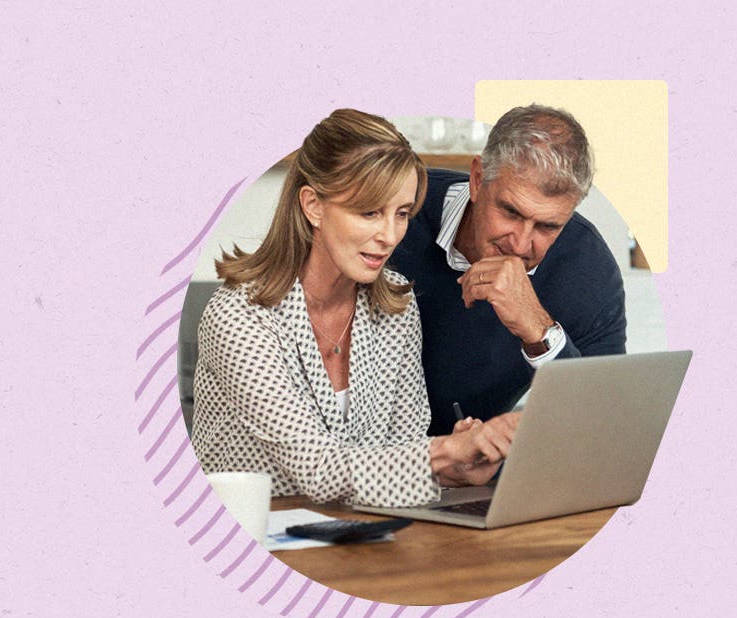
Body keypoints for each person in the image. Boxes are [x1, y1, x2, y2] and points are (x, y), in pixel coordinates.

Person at [190, 109, 517, 508]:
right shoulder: (239, 316)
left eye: (401, 213)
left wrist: (455, 470)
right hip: (249, 542)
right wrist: (447, 451)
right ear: (313, 206)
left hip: (363, 539)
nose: (390, 235)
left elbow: (401, 451)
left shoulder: (396, 304)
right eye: (369, 212)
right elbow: (318, 470)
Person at [391, 105, 628, 436]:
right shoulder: (397, 213)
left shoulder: (587, 266)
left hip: (477, 475)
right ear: (477, 180)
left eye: (547, 226)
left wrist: (539, 331)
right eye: (510, 212)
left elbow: (602, 426)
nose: (520, 244)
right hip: (363, 463)